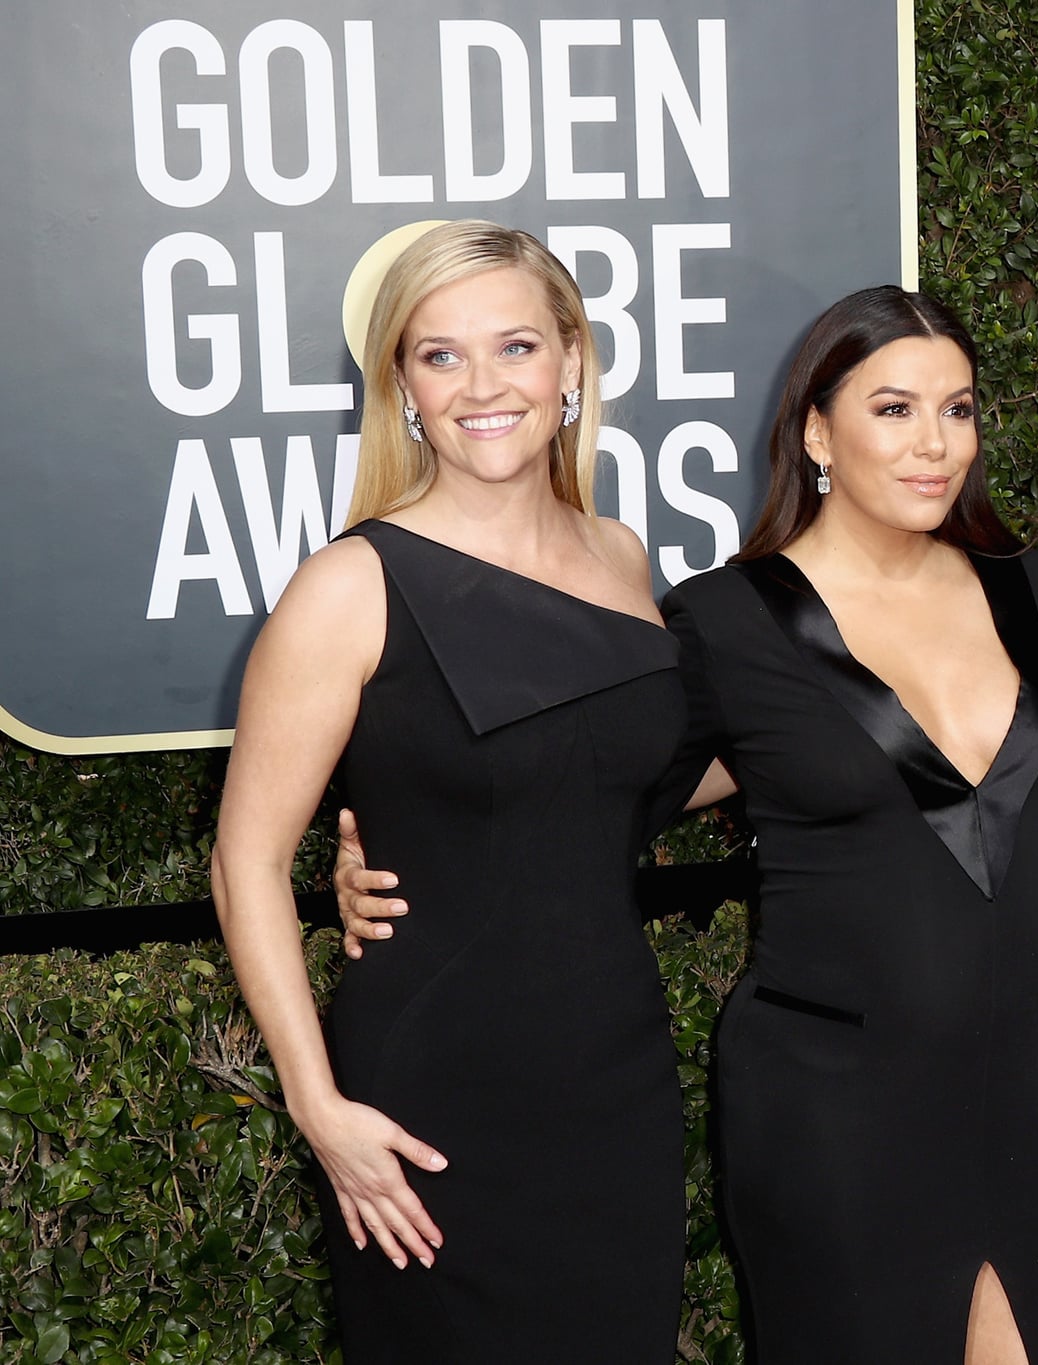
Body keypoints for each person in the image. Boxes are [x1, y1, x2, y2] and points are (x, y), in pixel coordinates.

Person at [338, 286, 1038, 1364]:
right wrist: (390, 855)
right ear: (817, 431)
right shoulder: (725, 622)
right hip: (834, 1108)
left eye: (958, 409)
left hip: (1031, 1095)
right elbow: (582, 795)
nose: (934, 444)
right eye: (892, 409)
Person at [211, 221, 714, 1361]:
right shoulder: (349, 585)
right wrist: (318, 1106)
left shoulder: (623, 558)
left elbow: (625, 776)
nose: (482, 386)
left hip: (613, 1079)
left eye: (516, 347)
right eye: (440, 355)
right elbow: (244, 860)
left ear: (572, 363)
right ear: (402, 384)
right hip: (432, 1094)